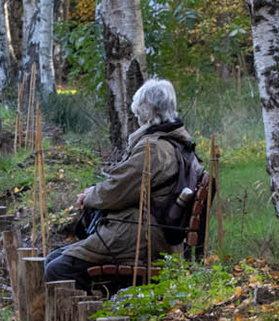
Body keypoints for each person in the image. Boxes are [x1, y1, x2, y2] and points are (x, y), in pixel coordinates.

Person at [43, 78, 203, 290]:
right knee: (55, 258)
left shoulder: (153, 149)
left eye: (138, 112)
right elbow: (124, 185)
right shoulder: (174, 143)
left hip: (140, 235)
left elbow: (117, 191)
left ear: (146, 112)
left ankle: (92, 319)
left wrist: (90, 196)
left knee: (58, 269)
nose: (136, 118)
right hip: (152, 232)